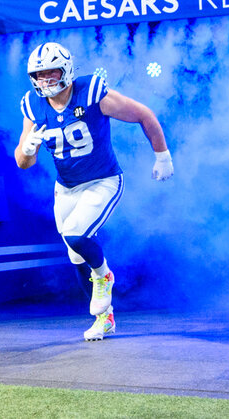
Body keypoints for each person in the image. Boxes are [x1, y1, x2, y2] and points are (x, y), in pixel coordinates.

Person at [14, 42, 174, 341]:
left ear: (66, 70)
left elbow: (144, 115)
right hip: (67, 187)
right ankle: (105, 319)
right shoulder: (33, 106)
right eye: (39, 75)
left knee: (76, 235)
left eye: (51, 73)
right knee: (75, 254)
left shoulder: (91, 92)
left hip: (103, 179)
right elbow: (23, 163)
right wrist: (27, 149)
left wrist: (162, 155)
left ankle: (104, 276)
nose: (45, 80)